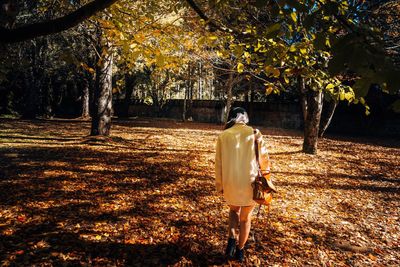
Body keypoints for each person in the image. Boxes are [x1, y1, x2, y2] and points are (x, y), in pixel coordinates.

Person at [215, 107, 271, 262]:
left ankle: (232, 238)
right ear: (245, 118)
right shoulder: (254, 133)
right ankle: (240, 251)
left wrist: (219, 184)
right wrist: (267, 180)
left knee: (233, 211)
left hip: (231, 181)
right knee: (245, 219)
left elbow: (218, 163)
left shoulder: (223, 136)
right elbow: (264, 160)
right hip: (250, 183)